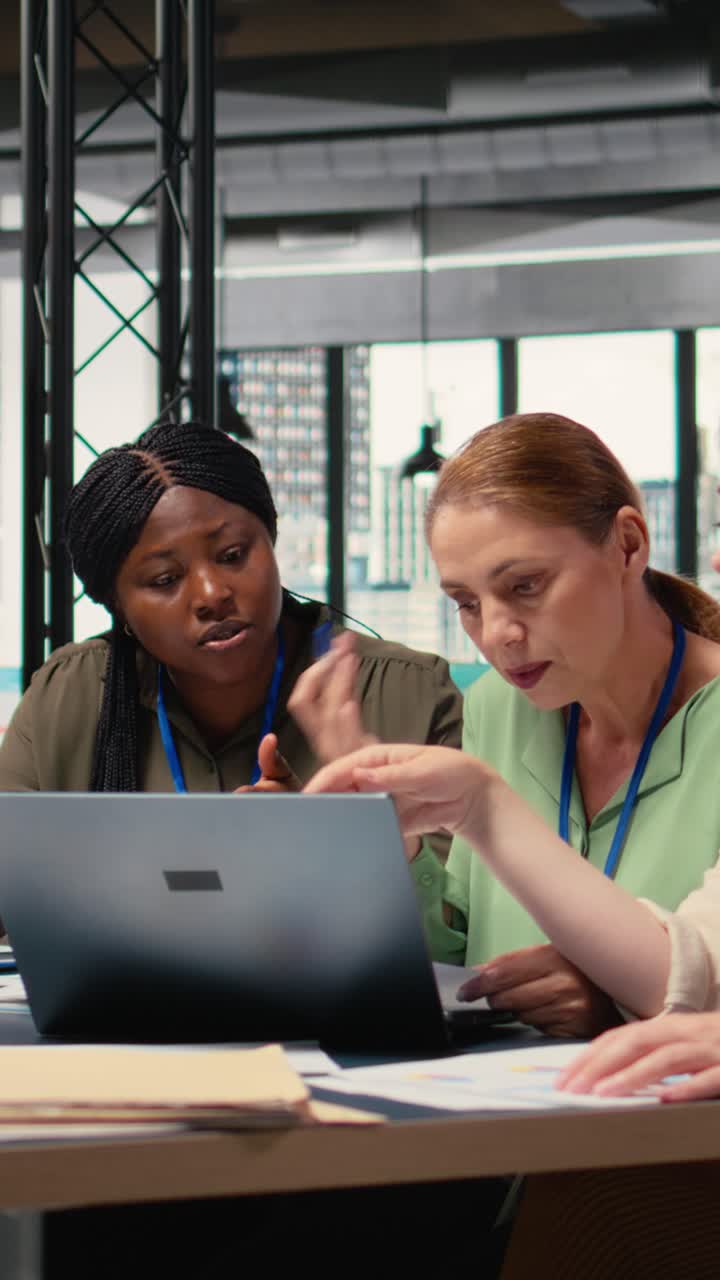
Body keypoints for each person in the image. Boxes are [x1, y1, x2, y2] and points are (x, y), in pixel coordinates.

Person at [306, 412, 720, 1038]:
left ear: (629, 545)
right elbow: (455, 961)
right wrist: (387, 846)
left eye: (526, 585)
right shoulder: (500, 710)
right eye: (466, 604)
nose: (495, 634)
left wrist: (612, 999)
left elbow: (699, 984)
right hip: (497, 1119)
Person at [0, 421, 461, 828]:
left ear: (271, 536)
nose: (211, 594)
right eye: (165, 579)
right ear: (117, 607)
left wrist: (342, 840)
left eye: (233, 555)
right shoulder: (71, 694)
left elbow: (463, 921)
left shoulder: (410, 696)